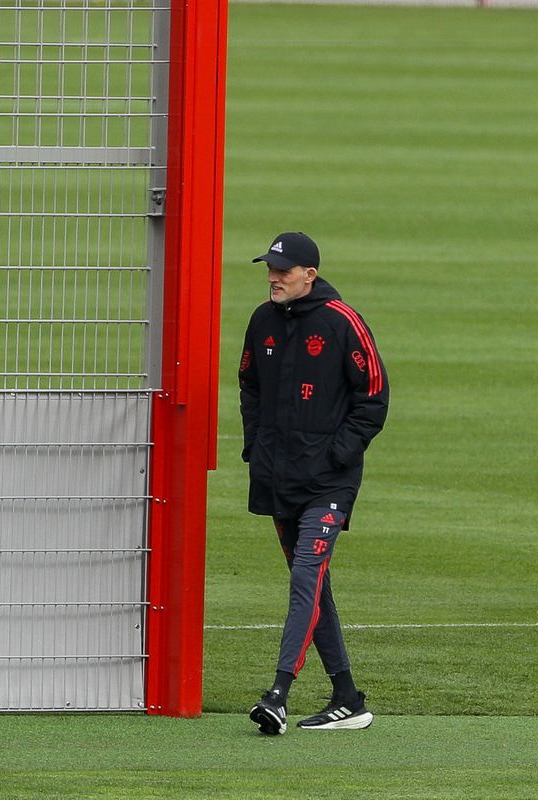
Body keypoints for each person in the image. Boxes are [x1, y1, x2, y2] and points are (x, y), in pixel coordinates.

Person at [239, 231, 389, 734]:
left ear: (310, 273)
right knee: (314, 587)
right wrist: (255, 448)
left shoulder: (343, 322)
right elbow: (250, 386)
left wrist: (336, 456)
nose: (273, 277)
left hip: (329, 482)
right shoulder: (262, 321)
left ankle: (277, 693)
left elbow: (373, 399)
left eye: (283, 270)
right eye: (270, 268)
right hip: (279, 479)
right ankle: (348, 697)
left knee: (306, 576)